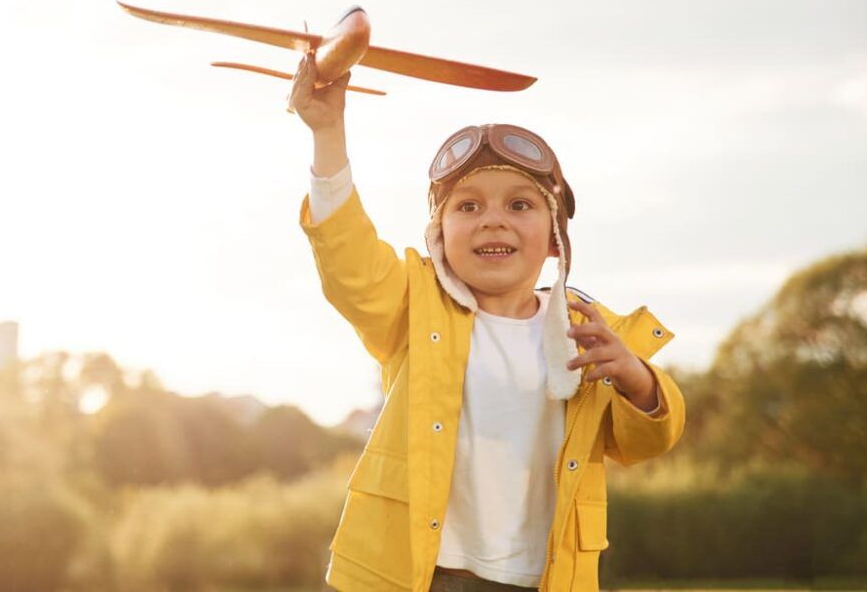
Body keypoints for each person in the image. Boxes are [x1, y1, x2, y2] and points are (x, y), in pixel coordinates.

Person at [292, 54, 686, 592]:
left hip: (541, 579)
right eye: (468, 207)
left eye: (520, 204)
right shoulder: (413, 302)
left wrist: (637, 379)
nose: (492, 219)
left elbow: (645, 442)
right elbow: (349, 264)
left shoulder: (590, 334)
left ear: (555, 239)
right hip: (408, 573)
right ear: (440, 234)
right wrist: (328, 132)